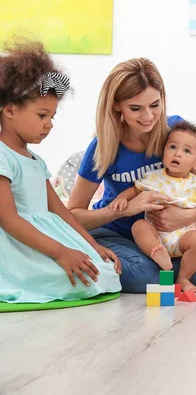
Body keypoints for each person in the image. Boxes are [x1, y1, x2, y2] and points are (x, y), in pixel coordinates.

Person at [68, 58, 196, 293]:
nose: (148, 116)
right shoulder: (103, 147)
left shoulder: (176, 133)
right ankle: (163, 272)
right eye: (136, 108)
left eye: (155, 105)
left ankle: (168, 272)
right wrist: (125, 209)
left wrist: (184, 217)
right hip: (114, 232)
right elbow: (72, 215)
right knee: (145, 275)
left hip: (165, 236)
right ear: (116, 105)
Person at [0, 38, 121, 303]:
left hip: (45, 239)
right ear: (9, 110)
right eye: (42, 116)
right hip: (18, 245)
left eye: (52, 117)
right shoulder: (2, 156)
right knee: (78, 278)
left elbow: (59, 210)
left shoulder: (35, 159)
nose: (49, 125)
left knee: (101, 272)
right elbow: (8, 220)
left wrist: (94, 246)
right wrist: (60, 252)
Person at [108, 120, 196, 292]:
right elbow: (134, 190)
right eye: (172, 147)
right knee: (139, 226)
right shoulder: (153, 177)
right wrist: (122, 198)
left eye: (186, 151)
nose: (178, 154)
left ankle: (183, 278)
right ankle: (158, 255)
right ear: (163, 151)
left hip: (182, 236)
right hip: (155, 234)